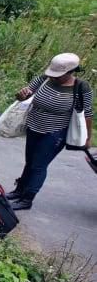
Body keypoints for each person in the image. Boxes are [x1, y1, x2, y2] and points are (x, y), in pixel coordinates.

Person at [7, 53, 93, 210]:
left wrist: (87, 138)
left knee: (39, 165)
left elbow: (87, 114)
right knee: (30, 161)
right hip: (34, 126)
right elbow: (24, 96)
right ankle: (19, 191)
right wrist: (21, 95)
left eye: (58, 75)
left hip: (55, 132)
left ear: (70, 72)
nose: (54, 77)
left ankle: (27, 199)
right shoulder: (43, 79)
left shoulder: (81, 87)